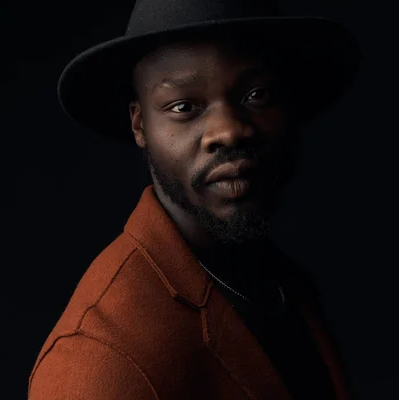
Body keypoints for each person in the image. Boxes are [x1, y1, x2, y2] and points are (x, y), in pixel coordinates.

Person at [28, 0, 361, 399]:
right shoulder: (101, 358)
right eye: (184, 106)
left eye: (256, 94)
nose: (228, 131)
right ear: (139, 124)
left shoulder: (282, 281)